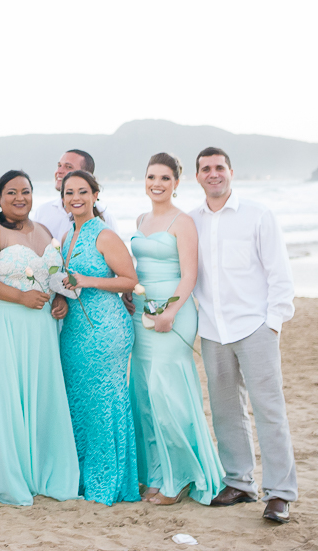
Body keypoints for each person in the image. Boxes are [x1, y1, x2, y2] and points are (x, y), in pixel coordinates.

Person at [190, 147, 295, 524]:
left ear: (231, 172)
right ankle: (239, 482)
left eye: (219, 167)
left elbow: (280, 275)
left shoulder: (258, 215)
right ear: (197, 176)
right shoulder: (191, 221)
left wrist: (273, 322)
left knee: (270, 411)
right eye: (206, 168)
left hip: (255, 327)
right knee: (225, 411)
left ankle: (281, 493)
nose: (213, 174)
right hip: (214, 330)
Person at [0, 171, 79, 505]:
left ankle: (41, 469)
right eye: (11, 192)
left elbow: (53, 275)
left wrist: (58, 298)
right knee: (6, 394)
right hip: (3, 322)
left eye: (25, 191)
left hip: (40, 328)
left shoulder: (44, 231)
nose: (19, 198)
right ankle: (8, 472)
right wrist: (19, 297)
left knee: (40, 394)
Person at [128, 153, 223, 505]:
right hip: (141, 313)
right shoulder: (141, 218)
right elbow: (138, 267)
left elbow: (189, 275)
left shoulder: (183, 222)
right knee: (145, 396)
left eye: (165, 178)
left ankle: (181, 476)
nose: (157, 183)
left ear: (177, 183)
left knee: (168, 394)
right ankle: (155, 474)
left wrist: (170, 311)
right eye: (152, 176)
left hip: (174, 312)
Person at [55, 171, 140, 505]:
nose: (76, 197)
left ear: (94, 195)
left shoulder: (104, 235)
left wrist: (86, 280)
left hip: (106, 328)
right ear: (62, 198)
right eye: (69, 192)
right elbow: (65, 280)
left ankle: (107, 481)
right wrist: (60, 298)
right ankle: (83, 477)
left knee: (104, 403)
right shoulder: (65, 236)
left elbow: (129, 280)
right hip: (74, 329)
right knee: (80, 404)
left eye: (82, 192)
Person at [30, 149, 117, 240]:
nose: (59, 171)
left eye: (68, 167)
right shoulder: (43, 211)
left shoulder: (106, 217)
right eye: (59, 165)